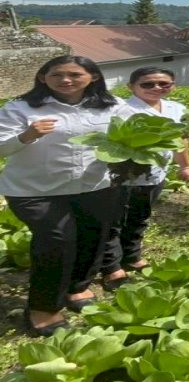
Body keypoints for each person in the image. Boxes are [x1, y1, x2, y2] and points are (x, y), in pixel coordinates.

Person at [0, 55, 133, 336]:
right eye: (56, 75)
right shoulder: (21, 108)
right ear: (42, 78)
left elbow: (134, 136)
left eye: (75, 74)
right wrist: (25, 136)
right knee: (57, 242)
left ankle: (77, 288)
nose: (66, 80)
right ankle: (43, 308)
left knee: (93, 238)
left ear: (93, 77)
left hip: (94, 186)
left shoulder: (114, 106)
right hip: (35, 190)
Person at [99, 67, 189, 291]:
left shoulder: (175, 108)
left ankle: (131, 255)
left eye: (164, 84)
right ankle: (111, 266)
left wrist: (186, 165)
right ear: (131, 87)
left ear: (173, 86)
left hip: (155, 173)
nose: (156, 88)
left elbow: (180, 140)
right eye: (147, 84)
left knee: (140, 216)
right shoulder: (120, 109)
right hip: (121, 174)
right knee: (113, 220)